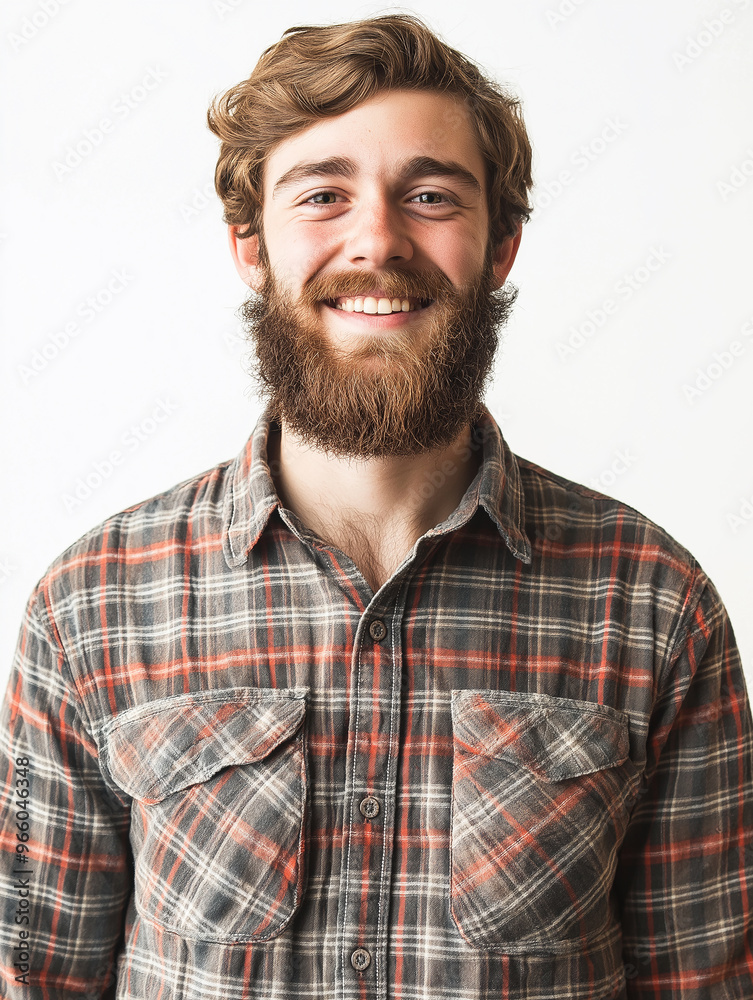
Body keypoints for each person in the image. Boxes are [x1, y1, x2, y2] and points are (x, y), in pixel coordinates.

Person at [1, 13, 751, 998]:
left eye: (430, 196)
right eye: (323, 195)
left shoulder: (654, 604)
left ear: (501, 245)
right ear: (249, 246)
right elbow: (33, 977)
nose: (378, 241)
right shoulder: (91, 604)